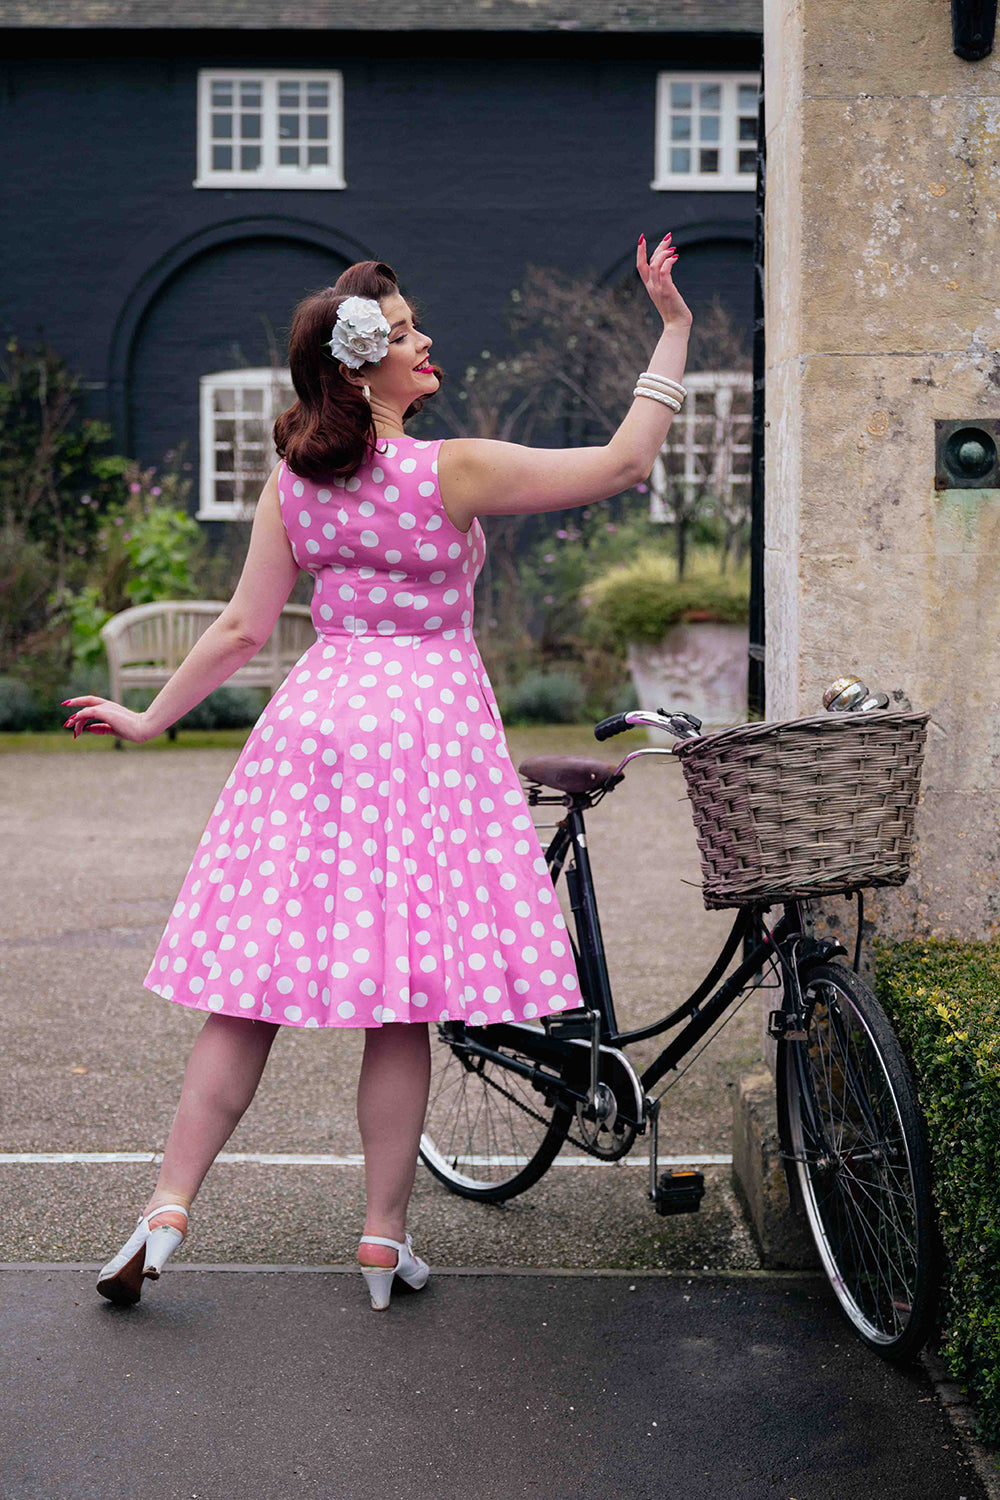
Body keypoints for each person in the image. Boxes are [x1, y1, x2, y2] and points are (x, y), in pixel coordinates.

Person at [62, 232, 690, 1311]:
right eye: (403, 335)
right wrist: (671, 328)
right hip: (426, 734)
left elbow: (241, 628)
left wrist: (152, 719)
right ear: (363, 370)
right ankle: (379, 1238)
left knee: (245, 993)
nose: (424, 341)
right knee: (400, 1002)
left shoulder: (294, 484)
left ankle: (166, 1209)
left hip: (316, 729)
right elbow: (624, 464)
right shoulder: (451, 470)